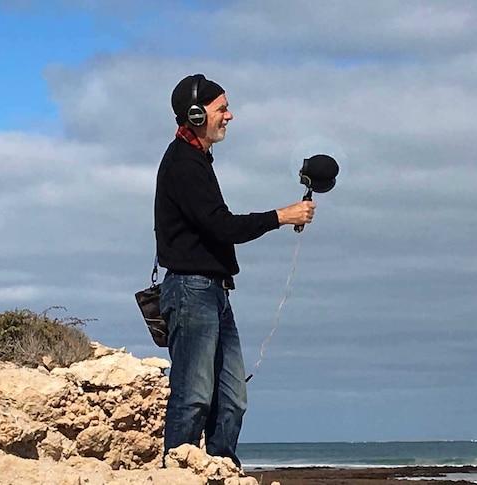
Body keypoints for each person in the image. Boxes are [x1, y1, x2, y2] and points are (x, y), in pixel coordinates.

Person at [154, 73, 315, 467]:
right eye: (221, 108)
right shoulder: (183, 164)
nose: (230, 116)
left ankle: (220, 469)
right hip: (192, 291)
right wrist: (281, 215)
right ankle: (178, 472)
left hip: (213, 291)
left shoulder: (196, 159)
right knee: (192, 394)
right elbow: (222, 226)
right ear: (195, 115)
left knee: (232, 398)